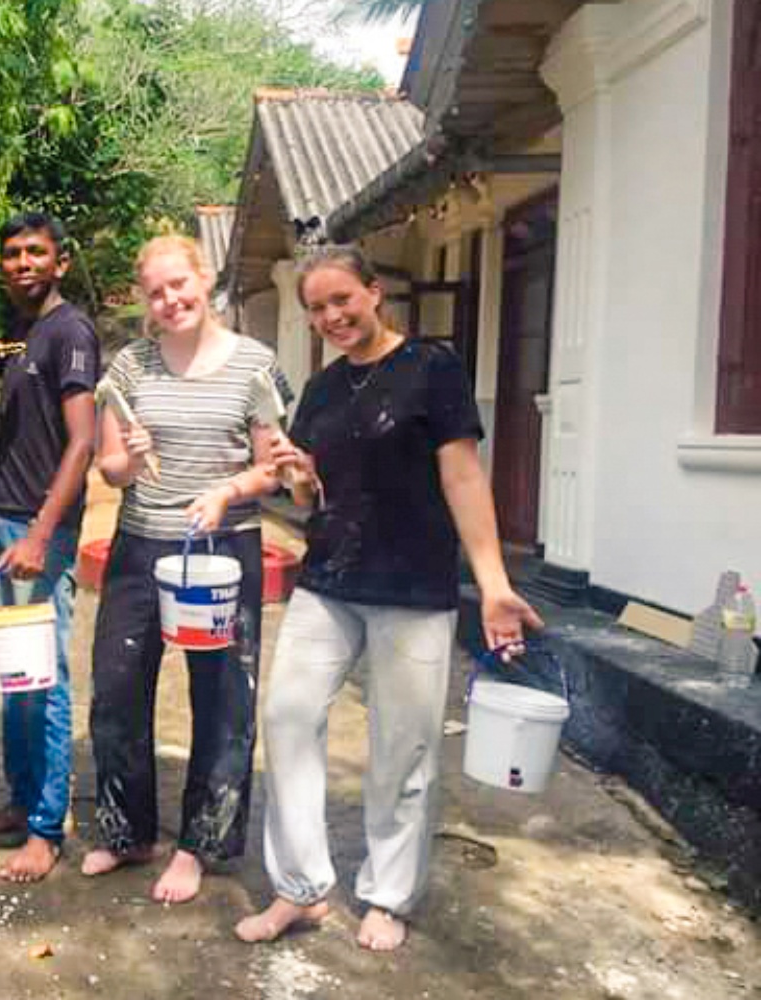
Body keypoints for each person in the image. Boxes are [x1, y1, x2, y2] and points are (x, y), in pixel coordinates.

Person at [234, 246, 542, 952]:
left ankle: (389, 894)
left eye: (342, 299)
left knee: (405, 745)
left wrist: (493, 583)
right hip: (329, 579)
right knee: (287, 715)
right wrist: (297, 475)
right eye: (317, 308)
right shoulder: (322, 389)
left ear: (374, 292)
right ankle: (300, 888)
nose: (331, 317)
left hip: (413, 585)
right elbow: (311, 493)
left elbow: (463, 478)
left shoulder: (432, 368)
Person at [82, 235, 284, 903]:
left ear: (205, 279)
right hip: (141, 547)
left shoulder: (256, 364)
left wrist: (228, 489)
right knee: (117, 691)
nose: (170, 300)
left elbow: (273, 468)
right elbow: (111, 469)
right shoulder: (129, 366)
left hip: (224, 549)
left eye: (179, 284)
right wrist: (133, 460)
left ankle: (199, 845)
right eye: (156, 292)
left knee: (224, 699)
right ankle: (127, 832)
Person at [0, 212, 98, 883]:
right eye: (11, 253)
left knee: (45, 675)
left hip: (40, 529)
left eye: (36, 252)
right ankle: (20, 798)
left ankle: (46, 827)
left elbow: (83, 442)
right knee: (15, 671)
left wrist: (41, 532)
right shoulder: (20, 333)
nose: (22, 263)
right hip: (1, 518)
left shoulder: (70, 331)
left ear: (60, 262)